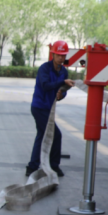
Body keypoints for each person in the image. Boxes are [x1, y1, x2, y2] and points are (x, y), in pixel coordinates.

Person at [26, 40, 74, 178]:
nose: (61, 58)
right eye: (59, 55)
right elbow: (46, 85)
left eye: (63, 55)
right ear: (53, 54)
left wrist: (61, 95)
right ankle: (53, 165)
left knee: (42, 135)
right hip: (38, 107)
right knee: (55, 135)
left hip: (48, 109)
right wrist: (62, 83)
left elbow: (63, 91)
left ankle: (32, 167)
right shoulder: (44, 69)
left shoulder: (63, 71)